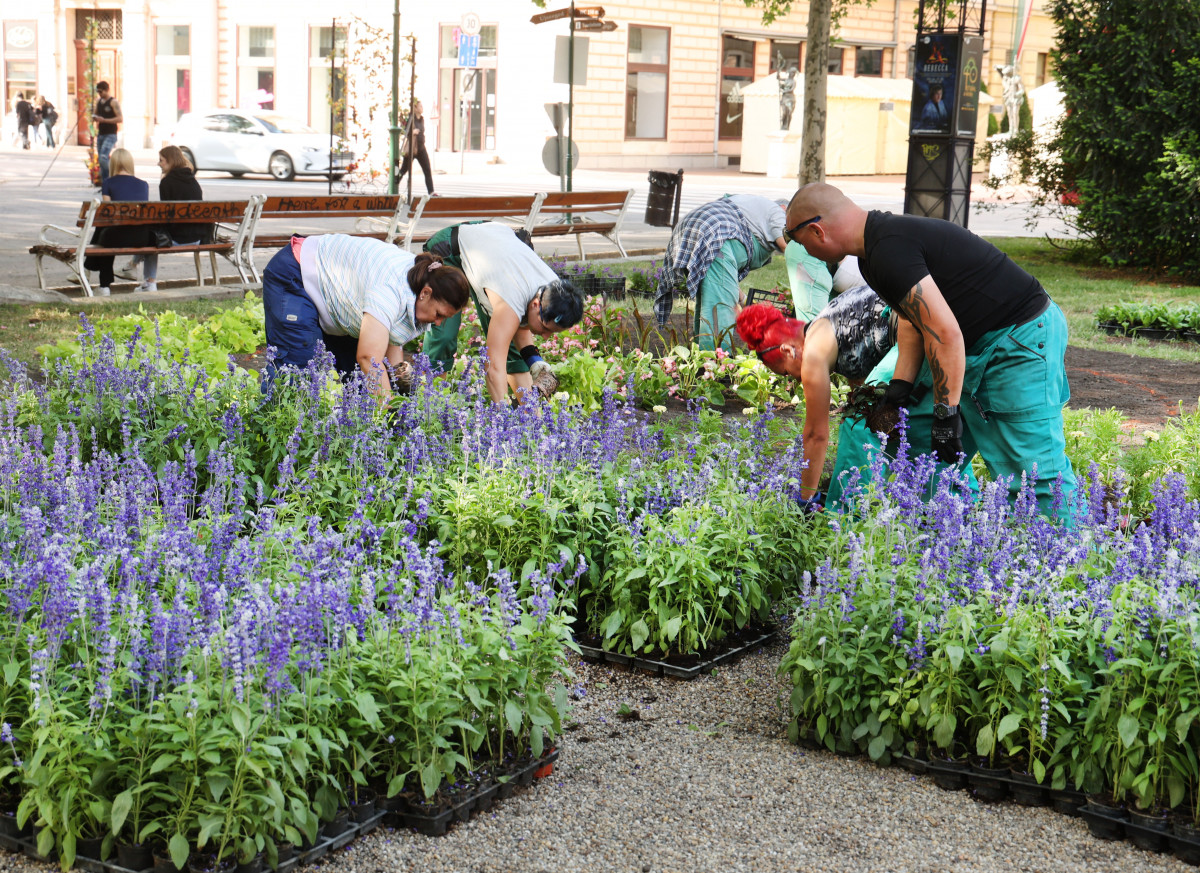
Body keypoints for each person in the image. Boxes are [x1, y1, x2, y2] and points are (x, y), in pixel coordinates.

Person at [784, 182, 1076, 522]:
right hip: (972, 346)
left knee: (1035, 476)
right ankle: (946, 539)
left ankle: (1077, 566)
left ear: (817, 231)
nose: (810, 255)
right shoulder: (872, 255)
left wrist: (945, 413)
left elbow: (945, 333)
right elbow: (913, 323)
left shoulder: (889, 248)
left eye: (804, 245)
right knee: (917, 444)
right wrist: (899, 392)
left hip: (1018, 340)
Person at [260, 234, 469, 400]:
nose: (439, 322)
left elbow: (390, 345)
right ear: (426, 293)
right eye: (439, 314)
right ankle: (267, 449)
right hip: (297, 274)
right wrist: (389, 416)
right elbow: (369, 357)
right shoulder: (390, 290)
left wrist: (397, 387)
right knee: (295, 378)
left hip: (337, 292)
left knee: (361, 386)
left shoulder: (419, 278)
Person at [420, 221, 583, 404]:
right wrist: (502, 417)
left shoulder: (555, 290)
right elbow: (493, 367)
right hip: (452, 247)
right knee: (443, 333)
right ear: (536, 304)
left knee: (514, 349)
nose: (545, 337)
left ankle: (531, 420)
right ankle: (428, 406)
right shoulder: (511, 300)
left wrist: (533, 359)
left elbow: (521, 323)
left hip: (493, 254)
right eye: (546, 328)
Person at [655, 194, 788, 352]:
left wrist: (745, 300)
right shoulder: (779, 212)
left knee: (709, 298)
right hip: (716, 231)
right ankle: (719, 363)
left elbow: (724, 279)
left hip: (693, 226)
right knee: (721, 305)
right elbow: (790, 248)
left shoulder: (751, 208)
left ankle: (702, 358)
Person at [117, 145, 206, 293]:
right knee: (152, 235)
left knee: (150, 238)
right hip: (197, 237)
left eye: (161, 160)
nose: (159, 164)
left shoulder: (167, 182)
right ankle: (133, 267)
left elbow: (166, 218)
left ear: (171, 161)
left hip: (179, 239)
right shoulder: (193, 181)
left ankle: (146, 279)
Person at [81, 148, 152, 297]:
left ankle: (102, 284)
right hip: (141, 236)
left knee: (105, 234)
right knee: (106, 232)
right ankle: (86, 269)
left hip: (116, 237)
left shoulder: (108, 183)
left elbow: (108, 213)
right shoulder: (143, 184)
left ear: (113, 164)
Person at [397, 100, 434, 197]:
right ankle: (394, 185)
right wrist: (412, 132)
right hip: (412, 149)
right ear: (415, 108)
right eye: (420, 106)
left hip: (421, 148)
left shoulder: (422, 119)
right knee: (404, 169)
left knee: (427, 169)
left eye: (422, 106)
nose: (422, 108)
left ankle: (431, 192)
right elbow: (404, 132)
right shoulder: (410, 119)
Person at [92, 81, 123, 184]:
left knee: (103, 157)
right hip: (101, 133)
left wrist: (104, 120)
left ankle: (112, 178)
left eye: (101, 92)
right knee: (101, 160)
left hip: (111, 133)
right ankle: (105, 183)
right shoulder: (99, 102)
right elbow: (96, 114)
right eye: (98, 92)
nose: (99, 94)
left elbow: (120, 118)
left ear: (106, 90)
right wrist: (95, 118)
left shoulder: (113, 102)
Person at [997, 64, 1025, 134]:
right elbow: (1000, 71)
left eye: (1007, 74)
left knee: (1015, 113)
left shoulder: (1017, 78)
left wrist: (1017, 94)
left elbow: (1022, 89)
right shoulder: (1006, 79)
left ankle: (1016, 129)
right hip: (1008, 97)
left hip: (1015, 98)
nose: (1006, 75)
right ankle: (1011, 129)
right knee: (1010, 114)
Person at [776, 56, 798, 131]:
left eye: (794, 73)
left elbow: (791, 89)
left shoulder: (793, 82)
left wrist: (783, 91)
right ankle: (783, 125)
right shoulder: (786, 80)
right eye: (791, 72)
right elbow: (778, 78)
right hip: (784, 98)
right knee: (784, 112)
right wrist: (778, 71)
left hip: (790, 98)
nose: (792, 74)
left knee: (789, 113)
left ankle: (787, 126)